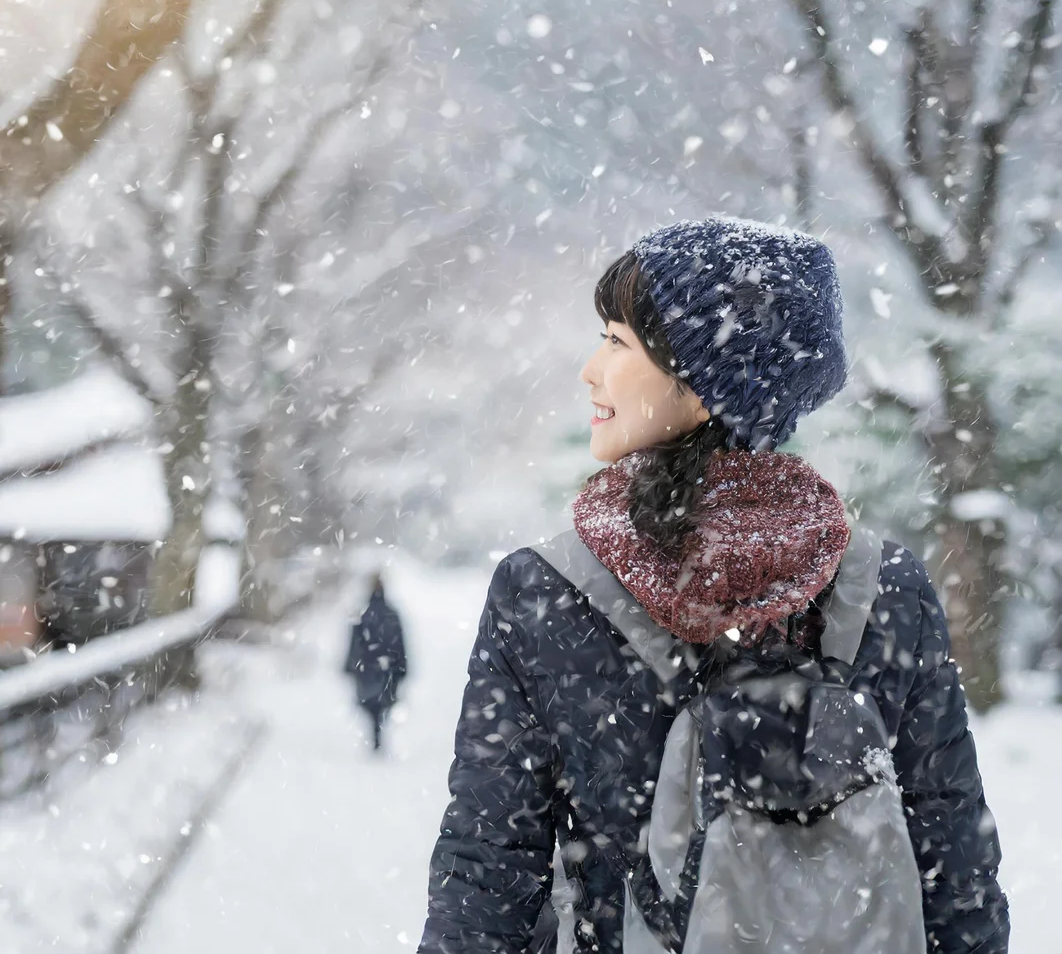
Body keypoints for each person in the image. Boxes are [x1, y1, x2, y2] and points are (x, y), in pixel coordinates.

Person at [418, 218, 1009, 954]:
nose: (590, 370)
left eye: (616, 342)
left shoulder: (545, 590)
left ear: (701, 389)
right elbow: (957, 874)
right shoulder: (882, 585)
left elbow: (488, 876)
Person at [344, 573, 408, 752]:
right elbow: (399, 643)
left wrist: (350, 664)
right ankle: (377, 735)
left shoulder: (362, 612)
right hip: (386, 668)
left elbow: (354, 643)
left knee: (371, 704)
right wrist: (401, 666)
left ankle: (375, 735)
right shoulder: (391, 613)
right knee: (381, 704)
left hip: (367, 668)